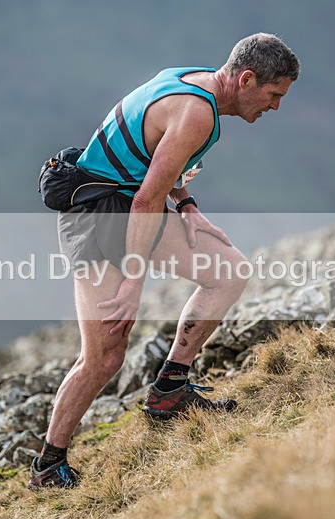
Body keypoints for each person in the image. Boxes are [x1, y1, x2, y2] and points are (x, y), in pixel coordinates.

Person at [29, 33, 300, 489]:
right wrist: (134, 283)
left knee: (229, 271)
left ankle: (170, 388)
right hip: (98, 216)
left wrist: (189, 207)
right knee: (105, 354)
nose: (275, 107)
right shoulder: (198, 113)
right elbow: (146, 199)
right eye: (273, 95)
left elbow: (158, 164)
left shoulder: (189, 82)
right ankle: (48, 467)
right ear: (247, 78)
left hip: (126, 203)